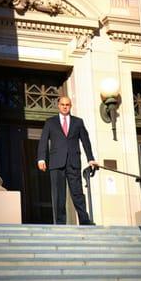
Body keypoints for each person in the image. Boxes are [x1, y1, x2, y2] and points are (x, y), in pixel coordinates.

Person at [37, 96, 98, 225]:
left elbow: (85, 141)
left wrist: (90, 159)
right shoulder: (50, 122)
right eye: (62, 104)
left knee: (77, 193)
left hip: (73, 162)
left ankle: (84, 220)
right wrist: (41, 158)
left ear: (70, 106)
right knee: (59, 195)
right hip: (56, 162)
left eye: (67, 105)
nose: (65, 106)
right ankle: (60, 223)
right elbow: (43, 141)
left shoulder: (78, 122)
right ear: (58, 106)